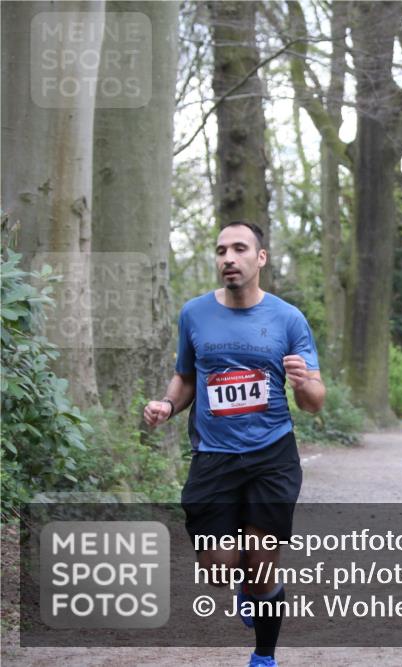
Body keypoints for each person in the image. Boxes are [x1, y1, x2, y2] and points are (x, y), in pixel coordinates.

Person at [143, 221, 325, 667]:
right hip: (213, 456)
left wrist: (303, 383)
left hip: (272, 455)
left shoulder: (288, 318)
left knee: (263, 565)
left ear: (260, 258)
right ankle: (241, 585)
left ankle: (264, 656)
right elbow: (186, 376)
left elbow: (315, 402)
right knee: (217, 570)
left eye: (240, 248)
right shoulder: (195, 313)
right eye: (221, 249)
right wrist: (168, 405)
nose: (228, 257)